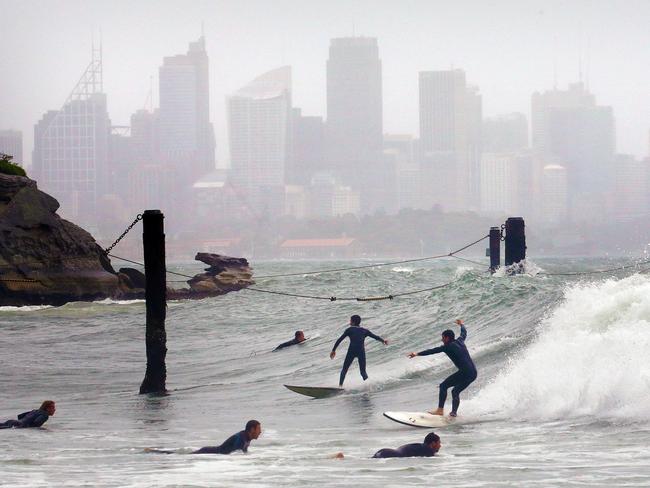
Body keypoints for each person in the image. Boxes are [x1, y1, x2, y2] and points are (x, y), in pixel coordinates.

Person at [408, 319, 477, 417]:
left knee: (443, 386)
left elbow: (432, 351)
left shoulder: (448, 347)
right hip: (473, 373)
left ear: (447, 338)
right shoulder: (460, 340)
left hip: (465, 373)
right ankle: (453, 413)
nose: (442, 340)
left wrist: (417, 354)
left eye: (443, 338)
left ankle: (440, 410)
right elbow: (464, 333)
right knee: (455, 391)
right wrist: (462, 324)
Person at [330, 315, 388, 387]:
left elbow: (339, 340)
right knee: (363, 372)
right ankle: (370, 386)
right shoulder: (365, 331)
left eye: (350, 320)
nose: (349, 322)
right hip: (361, 352)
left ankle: (340, 386)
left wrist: (333, 350)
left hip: (351, 351)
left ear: (353, 322)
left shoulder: (349, 330)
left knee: (344, 370)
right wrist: (383, 341)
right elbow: (375, 337)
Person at [193, 420, 262, 454]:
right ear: (252, 429)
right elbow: (235, 455)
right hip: (207, 452)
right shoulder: (241, 439)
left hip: (212, 453)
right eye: (259, 429)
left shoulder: (247, 438)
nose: (260, 432)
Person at [372, 432, 441, 458]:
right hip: (389, 454)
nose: (440, 446)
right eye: (439, 443)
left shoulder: (420, 447)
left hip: (385, 452)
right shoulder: (427, 450)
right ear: (433, 443)